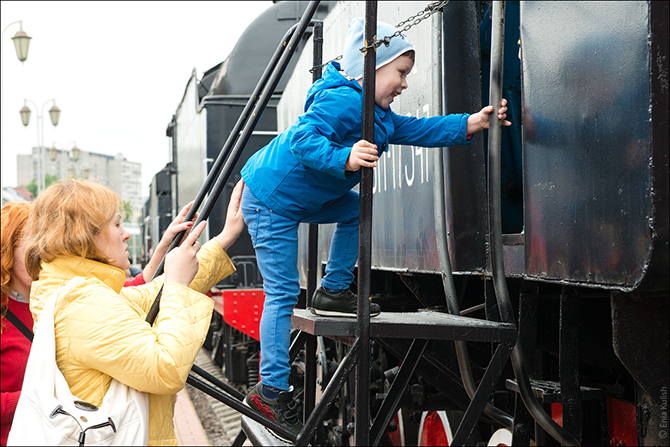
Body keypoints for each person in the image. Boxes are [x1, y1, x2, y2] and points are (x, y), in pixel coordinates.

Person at [239, 18, 511, 439]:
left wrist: (469, 123)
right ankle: (270, 392)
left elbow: (418, 129)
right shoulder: (344, 102)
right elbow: (303, 141)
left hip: (300, 196)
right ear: (372, 66)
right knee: (281, 291)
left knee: (355, 207)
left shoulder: (379, 114)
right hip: (271, 198)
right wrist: (345, 157)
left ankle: (332, 290)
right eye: (400, 73)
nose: (404, 84)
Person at [22, 178, 245, 446]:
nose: (126, 233)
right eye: (116, 224)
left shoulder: (78, 292)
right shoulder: (80, 302)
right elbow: (165, 369)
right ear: (85, 235)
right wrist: (177, 284)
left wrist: (224, 239)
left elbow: (154, 296)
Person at [0, 202, 33, 446]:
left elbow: (122, 296)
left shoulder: (55, 300)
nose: (41, 255)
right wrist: (34, 399)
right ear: (7, 253)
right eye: (32, 246)